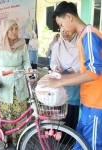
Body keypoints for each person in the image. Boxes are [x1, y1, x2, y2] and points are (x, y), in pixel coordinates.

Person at [38, 1, 102, 149]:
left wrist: (60, 82)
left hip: (96, 104)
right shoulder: (84, 36)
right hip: (89, 103)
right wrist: (60, 78)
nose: (61, 29)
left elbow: (93, 73)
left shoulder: (89, 35)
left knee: (91, 145)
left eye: (60, 24)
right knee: (81, 143)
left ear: (69, 16)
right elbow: (85, 72)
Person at [0, 19, 32, 149]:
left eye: (16, 28)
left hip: (19, 81)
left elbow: (26, 61)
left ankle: (18, 136)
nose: (14, 31)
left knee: (20, 112)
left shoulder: (22, 43)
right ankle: (5, 135)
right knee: (5, 113)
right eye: (11, 29)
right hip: (4, 83)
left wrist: (28, 69)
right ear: (5, 31)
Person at [50, 31, 80, 132]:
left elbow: (84, 62)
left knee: (71, 109)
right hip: (60, 81)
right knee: (60, 109)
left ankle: (70, 138)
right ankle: (58, 137)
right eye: (62, 30)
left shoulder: (80, 45)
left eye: (68, 30)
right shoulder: (57, 46)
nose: (65, 33)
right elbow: (53, 62)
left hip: (75, 81)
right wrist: (55, 67)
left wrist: (74, 69)